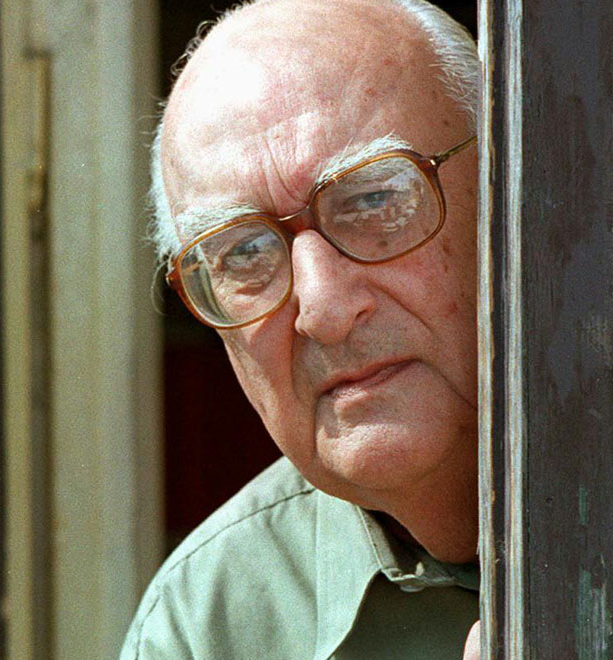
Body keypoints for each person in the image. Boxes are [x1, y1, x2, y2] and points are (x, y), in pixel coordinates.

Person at [122, 0, 482, 657]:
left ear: (505, 187)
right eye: (243, 254)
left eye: (373, 200)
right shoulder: (205, 629)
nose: (322, 310)